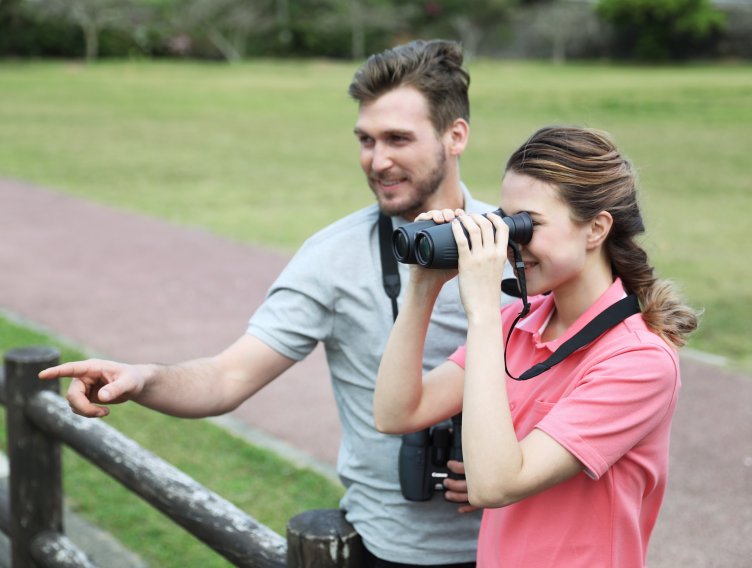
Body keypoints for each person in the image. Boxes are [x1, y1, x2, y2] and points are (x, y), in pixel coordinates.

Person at [39, 39, 503, 567]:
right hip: (389, 550)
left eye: (398, 139)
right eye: (365, 140)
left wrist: (517, 458)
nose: (377, 160)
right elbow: (227, 378)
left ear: (456, 135)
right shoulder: (333, 258)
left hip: (522, 543)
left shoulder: (519, 244)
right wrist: (143, 378)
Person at [373, 126, 700, 567]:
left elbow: (495, 484)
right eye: (505, 221)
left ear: (596, 229)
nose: (511, 242)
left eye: (527, 224)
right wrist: (421, 289)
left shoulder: (639, 361)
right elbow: (397, 413)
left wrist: (484, 311)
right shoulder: (520, 324)